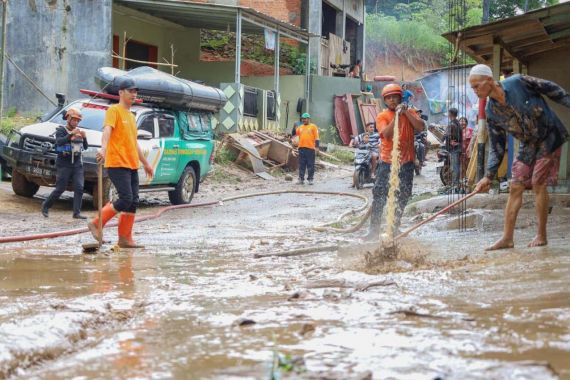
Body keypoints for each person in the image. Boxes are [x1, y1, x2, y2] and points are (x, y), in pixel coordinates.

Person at [470, 64, 570, 250]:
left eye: (476, 86)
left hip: (550, 135)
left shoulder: (518, 82)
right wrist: (488, 176)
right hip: (528, 143)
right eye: (472, 87)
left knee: (538, 182)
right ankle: (507, 238)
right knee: (515, 186)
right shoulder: (491, 112)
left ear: (490, 81)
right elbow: (497, 146)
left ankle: (541, 235)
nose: (474, 91)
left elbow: (552, 90)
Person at [87, 77, 154, 248]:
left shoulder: (132, 117)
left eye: (135, 91)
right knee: (125, 198)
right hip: (117, 162)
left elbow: (134, 143)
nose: (134, 94)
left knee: (133, 201)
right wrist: (103, 148)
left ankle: (125, 239)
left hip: (131, 164)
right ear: (120, 93)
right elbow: (107, 130)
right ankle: (96, 222)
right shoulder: (114, 110)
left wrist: (146, 163)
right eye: (130, 91)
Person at [366, 83, 425, 239]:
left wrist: (406, 114)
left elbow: (420, 127)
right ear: (385, 101)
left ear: (400, 98)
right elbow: (386, 134)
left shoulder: (410, 112)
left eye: (395, 97)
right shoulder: (382, 116)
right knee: (380, 194)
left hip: (407, 161)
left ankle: (394, 227)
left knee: (403, 194)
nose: (392, 100)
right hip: (387, 161)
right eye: (389, 98)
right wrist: (397, 117)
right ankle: (374, 230)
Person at [41, 108, 88, 219]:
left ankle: (76, 213)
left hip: (77, 164)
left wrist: (84, 138)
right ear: (68, 119)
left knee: (79, 187)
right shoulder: (61, 130)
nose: (76, 122)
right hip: (64, 163)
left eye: (78, 121)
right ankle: (46, 205)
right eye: (74, 120)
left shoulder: (79, 132)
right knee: (60, 188)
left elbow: (85, 147)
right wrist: (70, 134)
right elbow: (59, 142)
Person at [295, 112, 320, 185]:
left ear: (309, 119)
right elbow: (295, 135)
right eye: (302, 119)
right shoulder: (300, 127)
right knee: (301, 165)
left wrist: (317, 147)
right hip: (301, 148)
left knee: (310, 164)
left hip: (310, 149)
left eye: (305, 119)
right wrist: (295, 126)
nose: (304, 120)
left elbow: (317, 138)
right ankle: (301, 179)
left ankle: (310, 179)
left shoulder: (313, 127)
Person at [444, 108, 463, 191]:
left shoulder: (452, 124)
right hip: (457, 147)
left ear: (450, 114)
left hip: (454, 148)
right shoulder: (457, 123)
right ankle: (456, 183)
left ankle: (455, 184)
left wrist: (446, 138)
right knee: (455, 166)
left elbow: (446, 135)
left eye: (448, 113)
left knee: (455, 167)